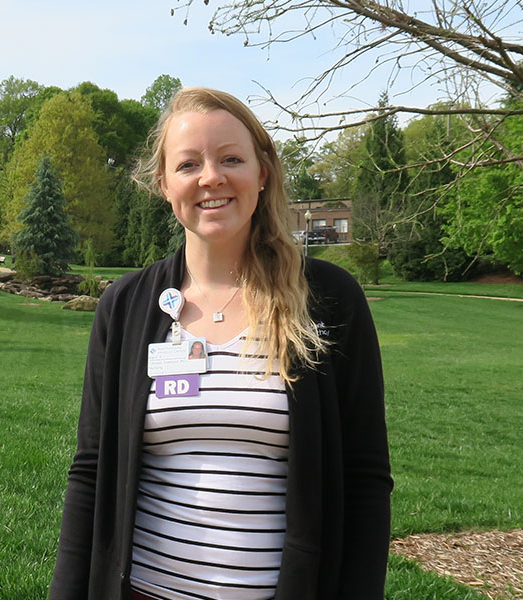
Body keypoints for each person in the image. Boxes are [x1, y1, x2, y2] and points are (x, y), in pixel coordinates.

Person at [48, 88, 391, 600]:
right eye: (189, 164)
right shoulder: (125, 306)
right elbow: (91, 470)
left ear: (263, 172)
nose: (211, 178)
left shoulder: (329, 299)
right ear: (165, 184)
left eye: (231, 158)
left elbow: (364, 477)